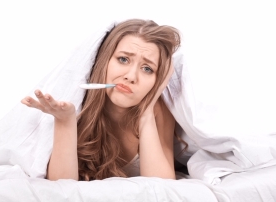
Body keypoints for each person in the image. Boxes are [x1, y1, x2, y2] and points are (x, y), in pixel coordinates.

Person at [21, 19, 181, 181]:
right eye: (123, 59)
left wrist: (146, 113)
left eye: (147, 69)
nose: (131, 76)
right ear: (104, 60)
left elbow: (163, 187)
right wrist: (64, 121)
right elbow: (61, 186)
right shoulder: (77, 103)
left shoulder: (158, 110)